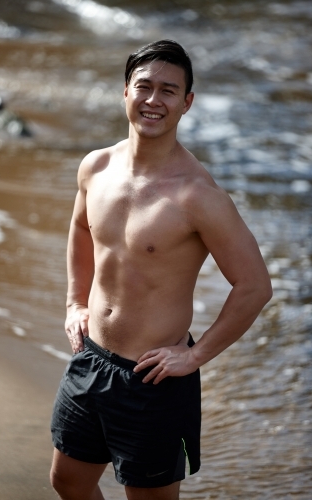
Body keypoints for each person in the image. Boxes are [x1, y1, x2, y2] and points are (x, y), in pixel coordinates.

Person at [50, 39, 272, 500]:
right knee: (68, 482)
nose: (154, 100)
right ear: (125, 92)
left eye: (169, 91)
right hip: (90, 360)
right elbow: (80, 229)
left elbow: (254, 286)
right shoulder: (96, 167)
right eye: (144, 86)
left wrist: (193, 357)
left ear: (187, 102)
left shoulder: (199, 196)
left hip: (154, 379)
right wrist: (75, 300)